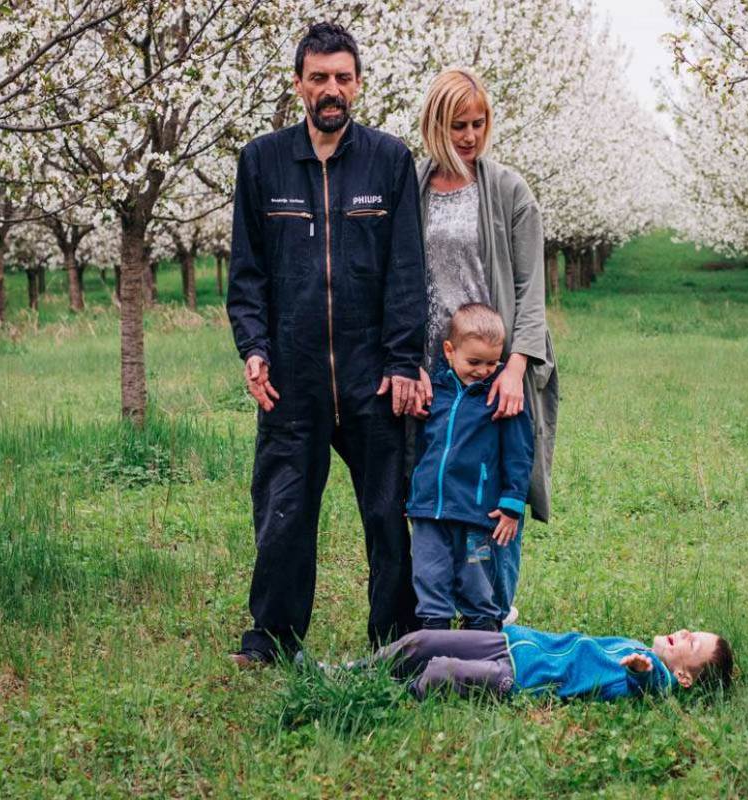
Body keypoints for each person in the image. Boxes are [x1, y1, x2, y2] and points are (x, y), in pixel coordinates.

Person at [226, 22, 428, 666]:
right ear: (299, 86)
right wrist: (253, 347)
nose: (331, 89)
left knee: (388, 514)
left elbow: (405, 271)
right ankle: (272, 637)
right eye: (319, 78)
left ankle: (396, 637)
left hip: (372, 376)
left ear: (359, 84)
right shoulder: (261, 162)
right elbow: (247, 272)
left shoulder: (389, 160)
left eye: (343, 77)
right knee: (284, 513)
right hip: (293, 375)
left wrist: (403, 361)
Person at [414, 67, 559, 625]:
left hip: (498, 363)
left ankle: (495, 613)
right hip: (440, 367)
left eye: (478, 123)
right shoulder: (416, 184)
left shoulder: (507, 190)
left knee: (499, 482)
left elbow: (530, 285)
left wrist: (515, 367)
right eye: (457, 125)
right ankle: (434, 609)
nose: (470, 136)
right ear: (434, 125)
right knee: (441, 483)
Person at [406, 303, 534, 632]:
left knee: (477, 581)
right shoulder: (436, 392)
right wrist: (416, 490)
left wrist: (512, 502)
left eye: (492, 362)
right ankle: (434, 639)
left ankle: (482, 638)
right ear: (449, 351)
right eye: (474, 362)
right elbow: (424, 446)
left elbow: (519, 453)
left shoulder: (500, 396)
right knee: (429, 574)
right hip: (429, 511)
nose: (483, 370)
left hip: (477, 513)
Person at [355, 625, 734, 701]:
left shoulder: (658, 680)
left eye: (692, 641)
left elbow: (646, 684)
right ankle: (347, 674)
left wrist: (641, 671)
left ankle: (386, 695)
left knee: (441, 671)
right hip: (511, 644)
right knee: (421, 641)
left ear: (683, 677)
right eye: (690, 630)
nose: (684, 632)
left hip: (520, 678)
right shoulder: (637, 643)